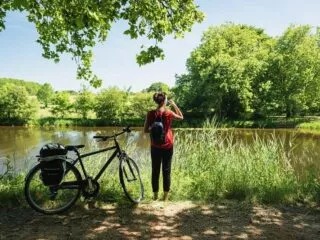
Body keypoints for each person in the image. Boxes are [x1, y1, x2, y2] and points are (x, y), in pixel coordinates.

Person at [144, 92, 183, 201]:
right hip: (168, 145)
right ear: (164, 100)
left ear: (156, 101)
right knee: (166, 170)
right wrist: (174, 105)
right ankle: (165, 197)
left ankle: (155, 196)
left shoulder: (150, 113)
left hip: (155, 146)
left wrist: (153, 128)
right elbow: (181, 117)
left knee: (155, 170)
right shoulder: (168, 112)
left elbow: (145, 130)